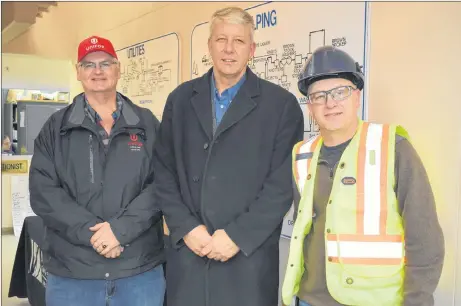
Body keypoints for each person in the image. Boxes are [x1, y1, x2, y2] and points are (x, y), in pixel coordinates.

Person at [153, 6, 304, 306]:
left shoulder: (281, 106)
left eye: (238, 41)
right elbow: (163, 171)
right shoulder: (180, 100)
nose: (229, 49)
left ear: (252, 49)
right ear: (209, 45)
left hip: (247, 262)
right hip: (189, 258)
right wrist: (186, 227)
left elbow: (281, 186)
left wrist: (237, 236)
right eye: (221, 39)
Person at [282, 45, 445, 306]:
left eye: (340, 92)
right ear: (310, 107)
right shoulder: (302, 154)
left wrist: (417, 300)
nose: (330, 102)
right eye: (319, 95)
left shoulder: (393, 147)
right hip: (308, 299)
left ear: (357, 97)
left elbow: (424, 238)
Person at [29, 35, 165, 306]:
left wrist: (120, 230)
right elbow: (43, 192)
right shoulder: (55, 129)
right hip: (72, 276)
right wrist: (94, 235)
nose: (98, 71)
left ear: (118, 68)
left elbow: (163, 184)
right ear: (78, 72)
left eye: (105, 63)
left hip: (138, 273)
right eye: (89, 64)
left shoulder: (147, 124)